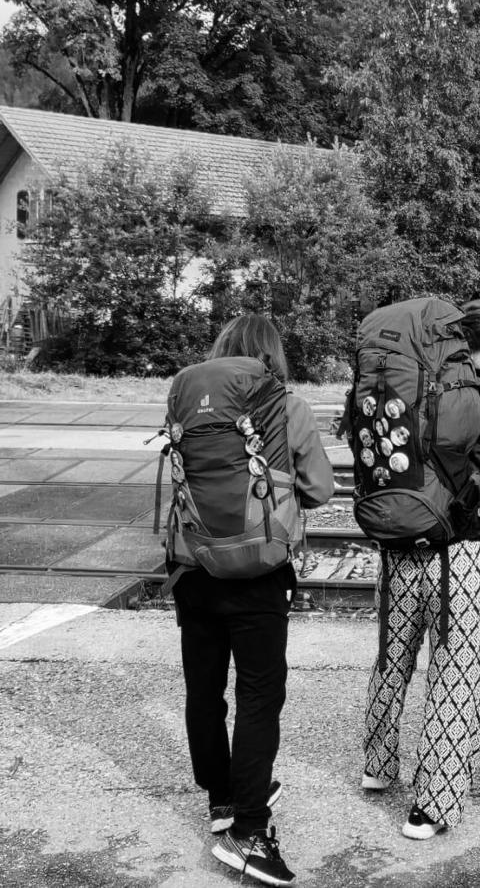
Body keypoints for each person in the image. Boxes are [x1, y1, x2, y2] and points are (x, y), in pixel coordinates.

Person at [171, 315, 334, 885]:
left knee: (204, 687)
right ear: (271, 356)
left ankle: (222, 800)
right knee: (260, 695)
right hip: (261, 569)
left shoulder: (187, 400)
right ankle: (249, 829)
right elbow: (318, 489)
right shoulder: (285, 406)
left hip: (192, 565)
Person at [362, 297, 480, 839]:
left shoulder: (403, 388)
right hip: (461, 555)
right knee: (458, 671)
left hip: (399, 549)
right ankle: (431, 805)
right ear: (472, 347)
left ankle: (379, 767)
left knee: (393, 658)